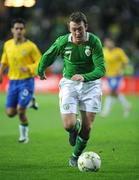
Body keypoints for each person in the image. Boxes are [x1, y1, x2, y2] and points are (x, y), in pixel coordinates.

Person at [37, 11, 105, 167]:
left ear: (85, 27)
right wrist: (40, 70)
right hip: (69, 83)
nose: (77, 32)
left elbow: (101, 69)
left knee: (87, 128)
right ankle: (75, 128)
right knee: (68, 125)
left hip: (91, 84)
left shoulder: (94, 42)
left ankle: (75, 156)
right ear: (69, 28)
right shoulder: (63, 41)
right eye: (74, 29)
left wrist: (84, 77)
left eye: (80, 29)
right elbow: (49, 55)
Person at [0, 18, 41, 143]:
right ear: (12, 30)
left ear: (24, 30)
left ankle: (24, 136)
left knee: (20, 110)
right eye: (16, 28)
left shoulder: (31, 46)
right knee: (10, 113)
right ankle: (30, 101)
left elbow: (40, 61)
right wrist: (0, 72)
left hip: (26, 81)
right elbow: (4, 60)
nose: (19, 31)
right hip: (12, 82)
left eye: (21, 28)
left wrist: (29, 68)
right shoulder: (7, 45)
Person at [101, 38, 131, 117]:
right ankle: (127, 106)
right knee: (115, 93)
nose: (108, 44)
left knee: (112, 92)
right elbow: (100, 60)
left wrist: (122, 69)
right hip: (109, 75)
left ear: (113, 43)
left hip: (117, 76)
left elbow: (126, 61)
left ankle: (105, 111)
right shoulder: (104, 51)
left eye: (109, 42)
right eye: (106, 43)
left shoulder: (119, 51)